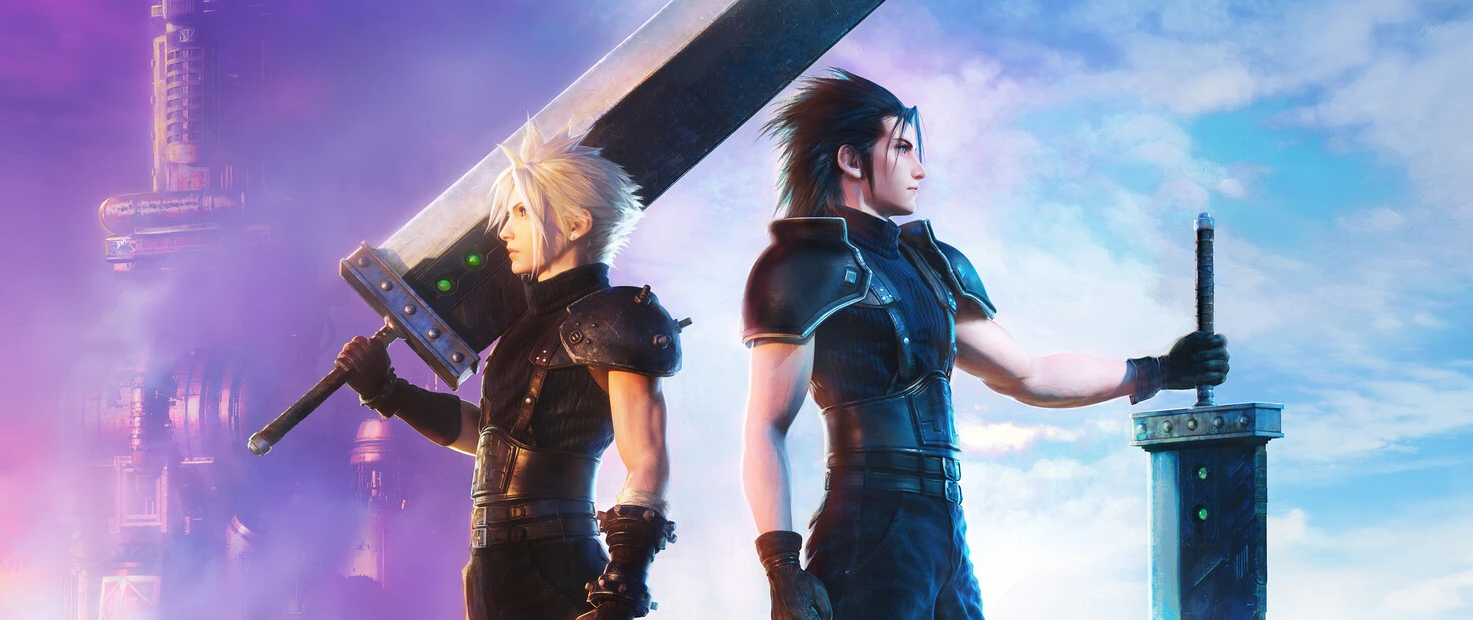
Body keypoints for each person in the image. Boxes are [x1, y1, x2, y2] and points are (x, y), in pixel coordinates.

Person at [739, 69, 1230, 619]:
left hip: (945, 527)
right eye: (901, 148)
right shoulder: (802, 264)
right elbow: (767, 425)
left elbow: (1028, 375)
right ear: (852, 160)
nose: (920, 169)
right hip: (866, 528)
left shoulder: (930, 267)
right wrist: (781, 565)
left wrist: (1159, 370)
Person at [337, 121, 684, 620]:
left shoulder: (618, 320)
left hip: (562, 572)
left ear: (576, 225)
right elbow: (488, 436)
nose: (504, 231)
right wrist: (388, 392)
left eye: (522, 212)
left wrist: (622, 587)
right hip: (491, 575)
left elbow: (647, 461)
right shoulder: (523, 329)